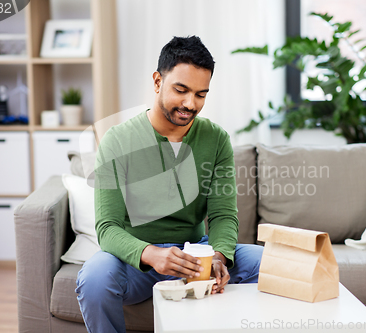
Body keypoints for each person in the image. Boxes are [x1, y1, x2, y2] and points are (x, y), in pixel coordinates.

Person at [76, 35, 264, 333]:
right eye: (181, 90)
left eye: (201, 94)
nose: (191, 104)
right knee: (95, 278)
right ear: (157, 82)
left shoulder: (216, 139)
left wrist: (218, 256)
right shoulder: (118, 140)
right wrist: (153, 254)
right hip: (139, 261)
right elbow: (107, 228)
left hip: (195, 256)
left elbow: (222, 215)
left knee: (270, 263)